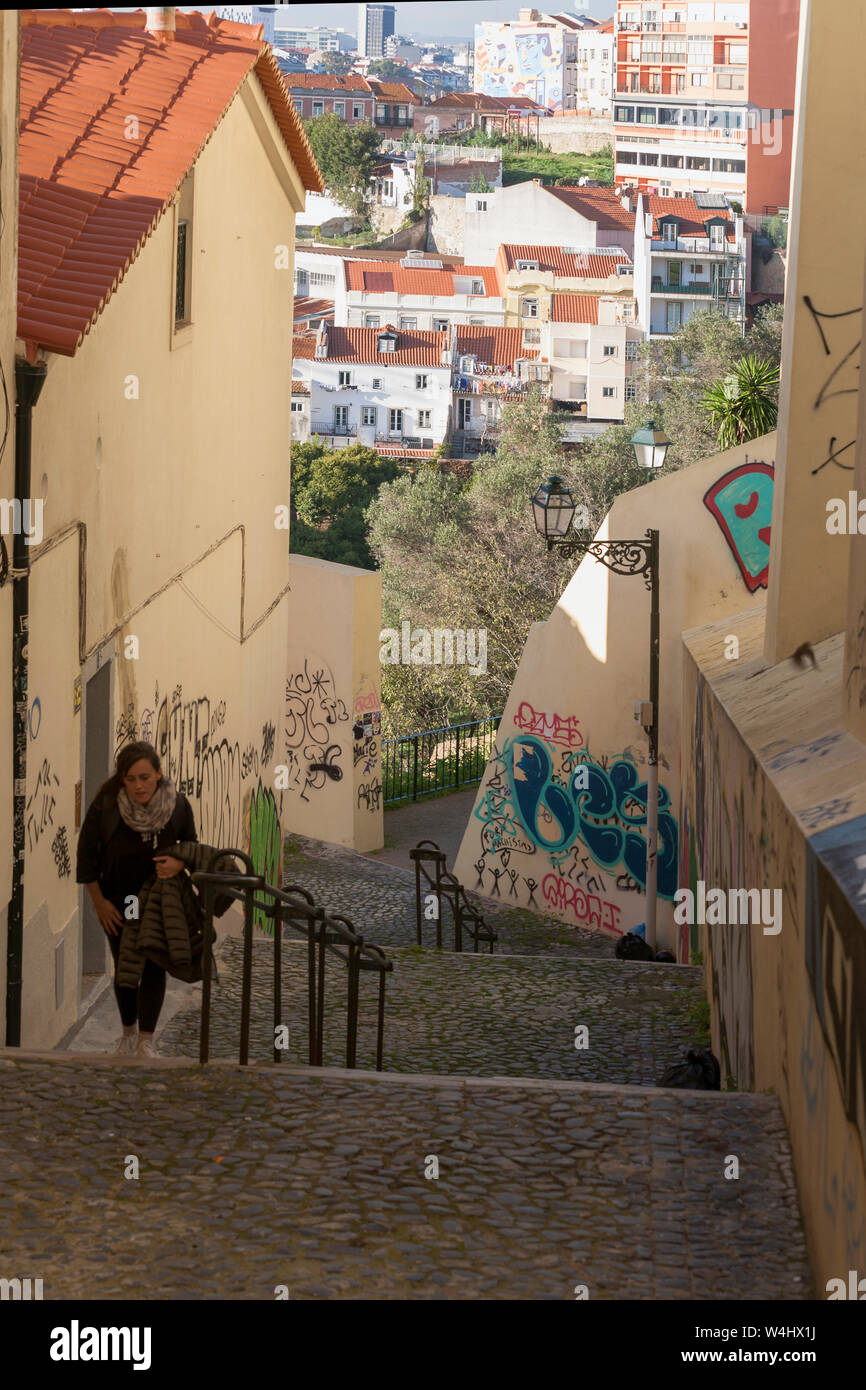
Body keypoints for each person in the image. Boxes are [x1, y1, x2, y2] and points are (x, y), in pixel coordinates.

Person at [76, 741, 197, 1058]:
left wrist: (180, 863)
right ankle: (128, 1033)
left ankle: (146, 1040)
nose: (138, 785)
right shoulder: (106, 806)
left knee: (155, 966)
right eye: (131, 779)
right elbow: (86, 858)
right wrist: (99, 902)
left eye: (145, 777)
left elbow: (191, 846)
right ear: (122, 779)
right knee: (126, 965)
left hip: (160, 899)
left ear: (158, 774)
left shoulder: (177, 806)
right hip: (119, 901)